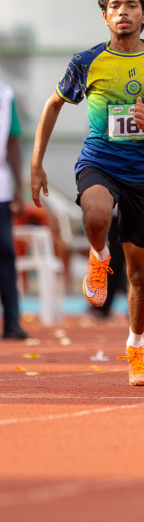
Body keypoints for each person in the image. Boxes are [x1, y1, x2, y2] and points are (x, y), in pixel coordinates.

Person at [29, 0, 144, 384]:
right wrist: (37, 163)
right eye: (115, 6)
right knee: (96, 212)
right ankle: (99, 256)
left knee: (140, 273)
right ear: (105, 16)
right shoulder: (87, 61)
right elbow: (53, 104)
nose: (122, 12)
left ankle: (136, 346)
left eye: (131, 5)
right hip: (99, 161)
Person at [1, 77, 28, 339]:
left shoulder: (5, 93)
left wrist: (19, 188)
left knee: (5, 252)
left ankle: (11, 321)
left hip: (1, 189)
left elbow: (12, 141)